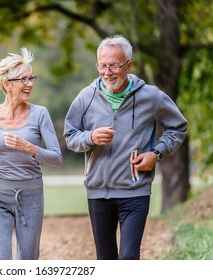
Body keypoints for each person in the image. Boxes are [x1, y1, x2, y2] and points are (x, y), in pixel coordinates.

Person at [63, 35, 188, 260]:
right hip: (97, 191)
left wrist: (156, 153)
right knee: (106, 259)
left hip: (135, 190)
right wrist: (90, 137)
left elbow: (178, 127)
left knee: (129, 258)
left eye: (114, 66)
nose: (107, 72)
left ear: (128, 66)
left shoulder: (151, 96)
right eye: (103, 65)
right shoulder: (85, 98)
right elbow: (70, 136)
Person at [0, 47, 62, 260]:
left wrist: (29, 148)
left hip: (30, 195)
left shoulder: (40, 114)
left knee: (28, 260)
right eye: (24, 79)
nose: (30, 84)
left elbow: (57, 158)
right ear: (7, 84)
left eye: (32, 78)